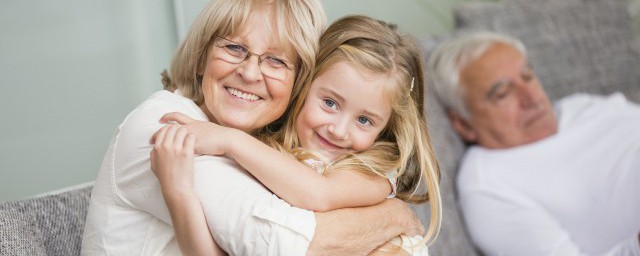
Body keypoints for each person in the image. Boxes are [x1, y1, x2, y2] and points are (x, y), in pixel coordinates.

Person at [81, 1, 425, 255]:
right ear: (202, 54)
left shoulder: (264, 150)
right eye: (234, 48)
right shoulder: (168, 128)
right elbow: (287, 247)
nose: (250, 73)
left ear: (298, 80)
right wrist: (394, 216)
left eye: (276, 61)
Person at [427, 31, 640, 255]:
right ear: (463, 124)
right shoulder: (488, 185)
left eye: (527, 76)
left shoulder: (582, 106)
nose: (531, 96)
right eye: (503, 93)